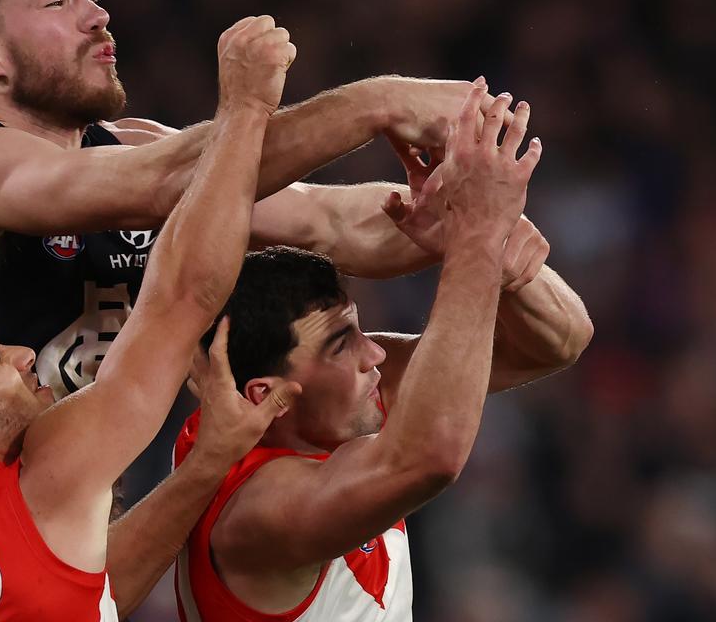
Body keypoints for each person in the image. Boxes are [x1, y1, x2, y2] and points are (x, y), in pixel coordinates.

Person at [0, 0, 521, 615]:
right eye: (58, 1)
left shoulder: (138, 145)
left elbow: (335, 223)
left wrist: (475, 202)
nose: (98, 15)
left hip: (73, 547)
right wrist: (379, 102)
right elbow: (175, 181)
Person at [0, 14, 298, 620]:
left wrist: (206, 464)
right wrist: (245, 110)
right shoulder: (39, 475)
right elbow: (182, 296)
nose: (24, 354)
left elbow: (91, 597)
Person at [175, 87, 594, 620]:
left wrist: (487, 252)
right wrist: (476, 239)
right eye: (340, 344)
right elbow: (429, 456)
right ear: (267, 397)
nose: (373, 353)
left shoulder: (322, 408)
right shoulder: (254, 513)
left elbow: (557, 341)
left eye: (358, 328)